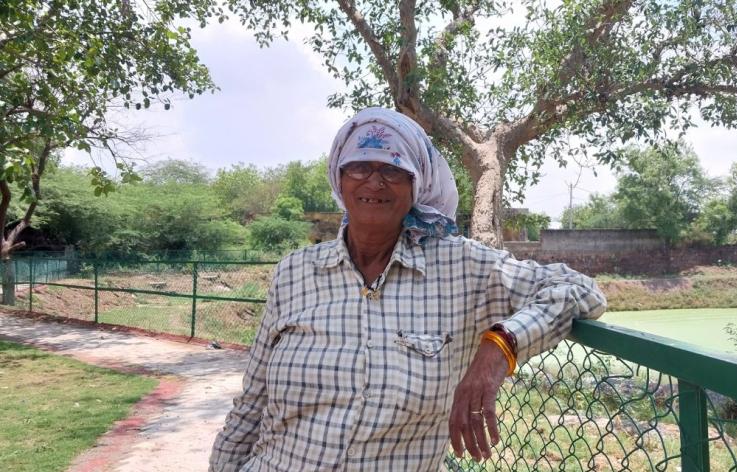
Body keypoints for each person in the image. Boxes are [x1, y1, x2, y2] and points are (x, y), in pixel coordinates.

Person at [209, 107, 606, 471]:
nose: (375, 181)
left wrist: (499, 347)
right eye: (359, 166)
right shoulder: (294, 272)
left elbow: (578, 288)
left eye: (393, 170)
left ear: (417, 184)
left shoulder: (463, 267)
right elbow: (251, 403)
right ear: (339, 177)